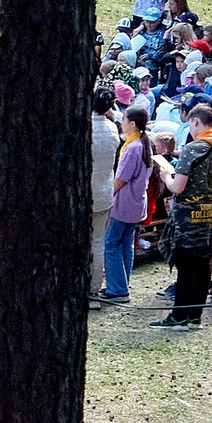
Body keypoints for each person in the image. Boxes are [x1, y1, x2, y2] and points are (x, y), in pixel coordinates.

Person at [153, 105, 212, 331]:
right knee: (204, 266)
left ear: (195, 121)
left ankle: (178, 316)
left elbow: (178, 186)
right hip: (211, 214)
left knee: (186, 267)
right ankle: (194, 316)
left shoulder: (192, 148)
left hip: (188, 217)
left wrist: (166, 175)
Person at [100, 105, 149, 304]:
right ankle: (121, 283)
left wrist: (108, 193)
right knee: (126, 243)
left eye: (124, 120)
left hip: (125, 202)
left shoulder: (133, 147)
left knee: (111, 243)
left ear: (132, 124)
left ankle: (117, 288)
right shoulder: (143, 144)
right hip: (136, 202)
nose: (121, 123)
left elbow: (121, 178)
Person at [88, 92, 119, 300]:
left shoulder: (87, 129)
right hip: (104, 192)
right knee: (97, 243)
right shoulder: (112, 129)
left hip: (86, 191)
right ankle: (93, 288)